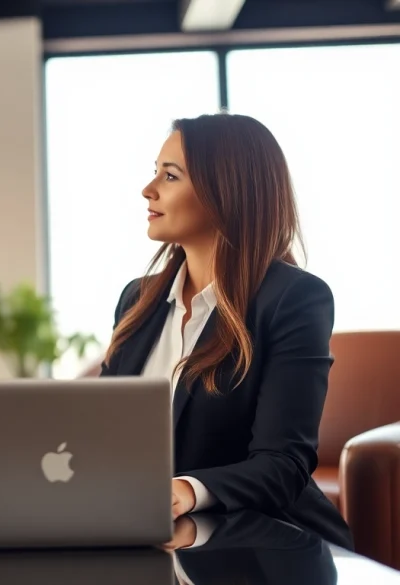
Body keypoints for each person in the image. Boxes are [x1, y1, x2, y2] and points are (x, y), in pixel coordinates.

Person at [100, 113, 352, 550]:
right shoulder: (136, 300)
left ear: (225, 191)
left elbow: (283, 465)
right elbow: (100, 432)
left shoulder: (294, 299)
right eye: (154, 172)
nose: (149, 189)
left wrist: (183, 490)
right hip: (151, 539)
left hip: (262, 544)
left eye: (170, 175)